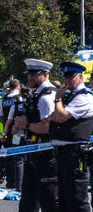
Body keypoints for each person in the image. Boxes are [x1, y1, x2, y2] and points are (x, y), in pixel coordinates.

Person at [13, 58, 59, 212]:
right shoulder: (36, 94)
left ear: (45, 74)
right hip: (33, 154)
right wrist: (21, 124)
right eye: (29, 74)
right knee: (28, 202)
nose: (30, 77)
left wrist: (26, 125)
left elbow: (47, 127)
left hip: (46, 156)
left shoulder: (47, 96)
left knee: (48, 200)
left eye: (34, 74)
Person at [50, 62, 93, 212]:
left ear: (80, 77)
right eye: (66, 77)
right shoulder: (71, 96)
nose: (67, 80)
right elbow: (53, 117)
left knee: (77, 198)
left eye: (71, 77)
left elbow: (60, 116)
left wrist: (57, 100)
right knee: (64, 199)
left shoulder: (84, 97)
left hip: (75, 153)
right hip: (63, 153)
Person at [0, 79, 24, 191]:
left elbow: (0, 116)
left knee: (9, 156)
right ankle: (17, 182)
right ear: (18, 87)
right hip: (19, 131)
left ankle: (10, 181)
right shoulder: (19, 98)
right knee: (19, 158)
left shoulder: (4, 99)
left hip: (7, 130)